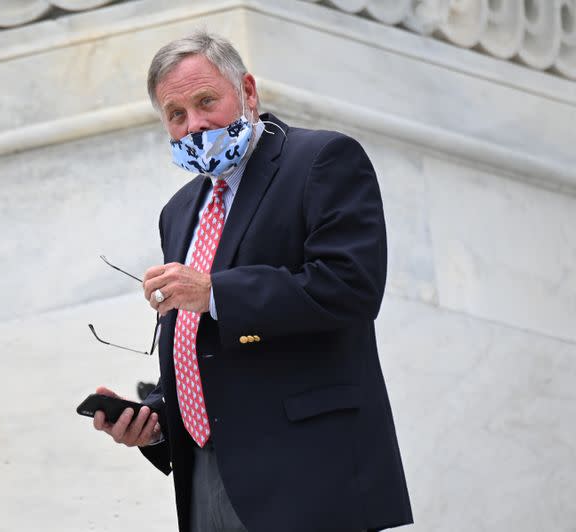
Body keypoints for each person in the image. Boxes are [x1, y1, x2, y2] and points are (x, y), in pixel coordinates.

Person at [92, 31, 413, 532]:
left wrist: (216, 292)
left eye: (205, 102)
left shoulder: (322, 159)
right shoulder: (177, 212)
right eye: (176, 115)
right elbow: (207, 344)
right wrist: (155, 422)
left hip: (308, 472)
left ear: (247, 91)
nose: (194, 123)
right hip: (205, 477)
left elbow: (351, 287)